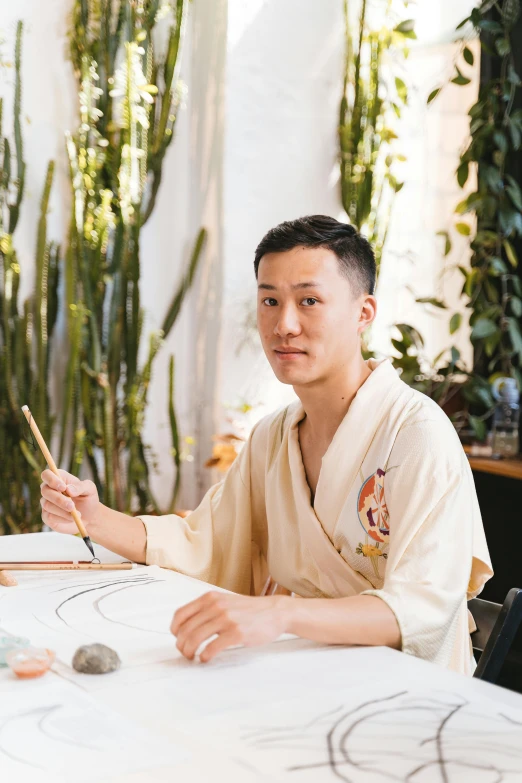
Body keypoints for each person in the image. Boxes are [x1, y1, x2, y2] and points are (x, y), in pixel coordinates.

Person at [40, 215, 492, 673]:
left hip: (408, 689)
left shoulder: (417, 434)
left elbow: (422, 608)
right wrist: (92, 517)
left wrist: (280, 613)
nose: (284, 325)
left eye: (309, 300)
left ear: (364, 312)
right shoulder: (273, 436)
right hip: (313, 670)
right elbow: (206, 543)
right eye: (270, 301)